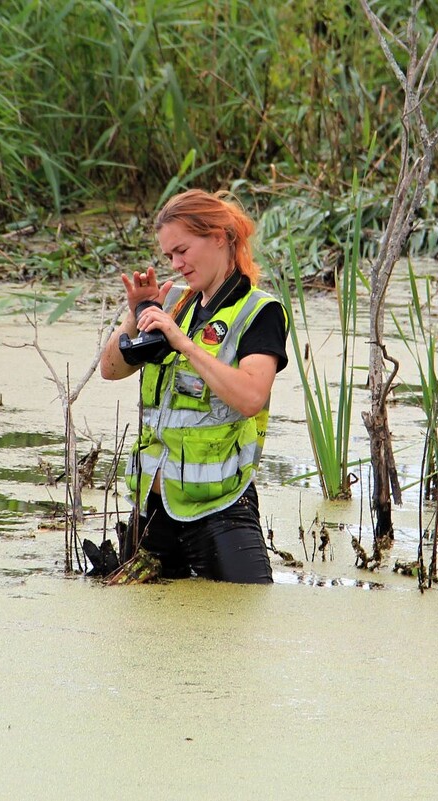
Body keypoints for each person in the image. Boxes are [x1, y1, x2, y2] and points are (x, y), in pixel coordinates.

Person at [99, 189, 288, 584]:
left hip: (220, 509)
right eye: (169, 256)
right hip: (152, 510)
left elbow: (252, 396)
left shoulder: (260, 312)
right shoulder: (175, 304)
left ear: (218, 237)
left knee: (242, 621)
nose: (176, 264)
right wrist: (138, 313)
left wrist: (183, 343)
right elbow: (110, 370)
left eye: (182, 250)